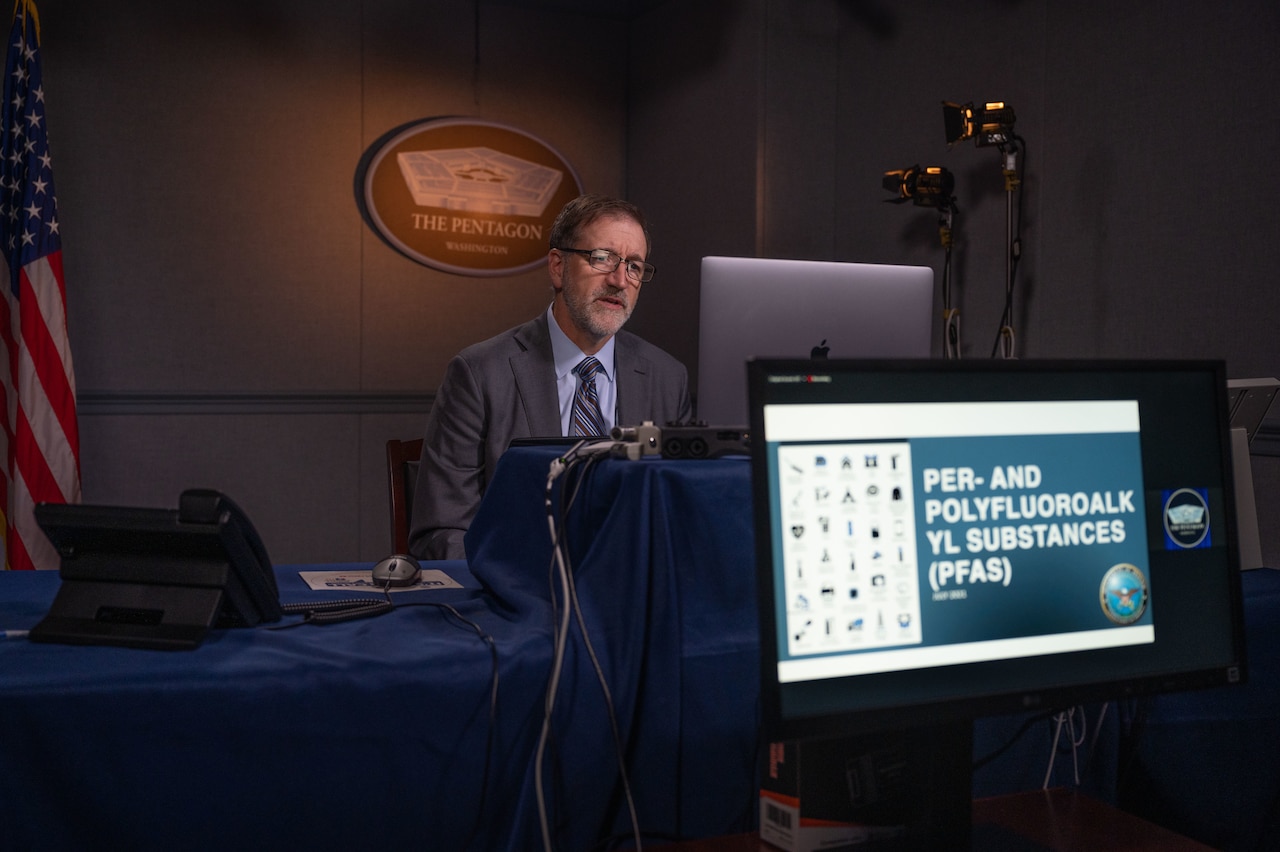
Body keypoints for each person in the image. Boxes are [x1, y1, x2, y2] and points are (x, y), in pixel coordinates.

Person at [408, 194, 692, 561]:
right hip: (516, 597)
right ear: (558, 267)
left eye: (634, 265)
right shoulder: (479, 374)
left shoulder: (667, 378)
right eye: (602, 257)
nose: (620, 280)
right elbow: (443, 531)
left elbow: (680, 518)